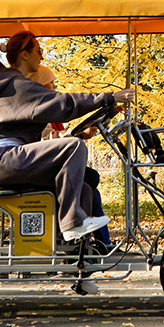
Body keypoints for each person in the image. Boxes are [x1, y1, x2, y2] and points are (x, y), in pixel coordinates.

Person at [0, 30, 134, 244]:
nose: (43, 57)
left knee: (85, 187)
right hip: (1, 160)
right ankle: (71, 224)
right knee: (74, 147)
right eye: (40, 51)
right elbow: (64, 104)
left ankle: (74, 259)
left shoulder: (8, 84)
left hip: (2, 161)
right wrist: (109, 97)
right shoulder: (17, 86)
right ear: (25, 54)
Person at [30, 65, 112, 250]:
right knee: (87, 185)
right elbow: (46, 140)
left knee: (91, 183)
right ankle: (74, 244)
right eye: (51, 82)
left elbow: (57, 136)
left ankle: (102, 242)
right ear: (41, 84)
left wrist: (79, 134)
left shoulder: (48, 110)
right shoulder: (37, 110)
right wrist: (77, 135)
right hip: (43, 166)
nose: (54, 86)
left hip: (52, 164)